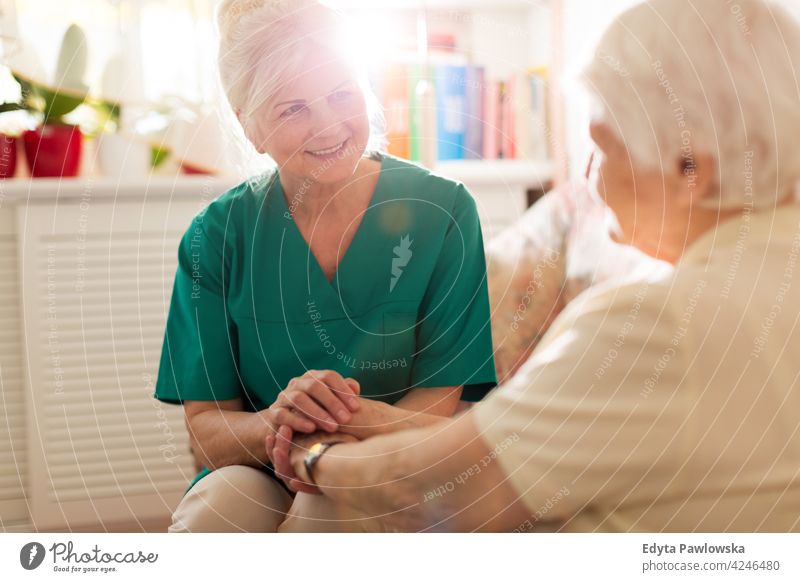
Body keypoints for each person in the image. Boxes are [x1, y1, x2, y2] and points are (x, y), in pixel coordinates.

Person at [270, 0, 800, 532]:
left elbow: (434, 493)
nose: (588, 176)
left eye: (603, 148)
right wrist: (383, 422)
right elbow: (537, 433)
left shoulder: (657, 323)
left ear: (693, 171)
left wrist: (313, 453)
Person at [154, 0, 497, 532]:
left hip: (390, 460)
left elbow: (443, 401)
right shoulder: (216, 235)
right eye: (293, 108)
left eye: (342, 94)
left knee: (326, 507)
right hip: (262, 464)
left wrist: (346, 426)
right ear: (251, 128)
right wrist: (279, 421)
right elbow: (206, 429)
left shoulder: (443, 211)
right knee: (215, 515)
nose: (329, 125)